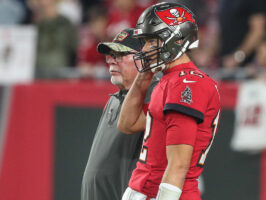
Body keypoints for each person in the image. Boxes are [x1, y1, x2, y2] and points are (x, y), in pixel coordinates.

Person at [118, 2, 220, 200]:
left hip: (164, 193)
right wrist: (144, 76)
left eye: (151, 41)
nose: (145, 49)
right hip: (144, 189)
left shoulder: (187, 83)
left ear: (177, 39)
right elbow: (127, 123)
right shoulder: (171, 79)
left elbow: (179, 164)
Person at [81, 28, 158, 200]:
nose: (110, 61)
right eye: (110, 55)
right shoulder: (115, 98)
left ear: (144, 58)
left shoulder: (155, 95)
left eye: (120, 55)